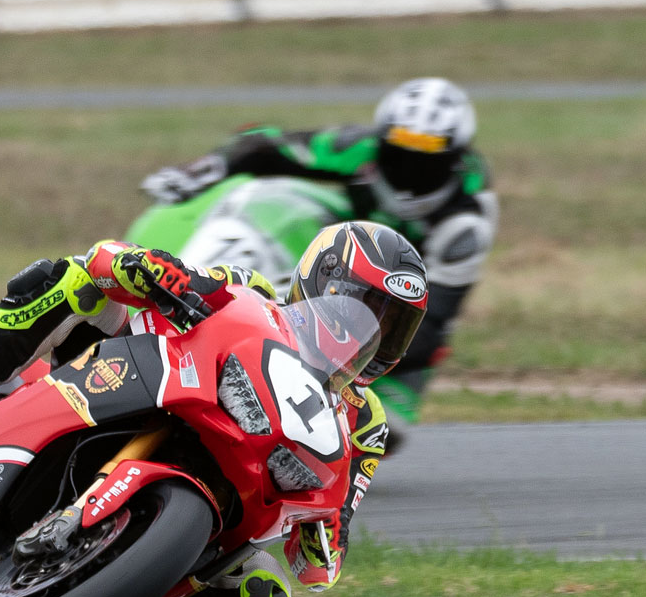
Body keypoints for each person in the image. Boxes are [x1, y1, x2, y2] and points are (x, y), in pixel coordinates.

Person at [0, 221, 426, 597]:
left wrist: (323, 530)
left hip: (223, 498)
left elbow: (323, 559)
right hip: (129, 391)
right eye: (357, 312)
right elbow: (123, 263)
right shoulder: (249, 292)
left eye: (390, 329)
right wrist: (146, 270)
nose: (365, 337)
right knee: (64, 283)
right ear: (317, 285)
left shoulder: (362, 423)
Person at [138, 77, 492, 439]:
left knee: (379, 430)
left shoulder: (466, 224)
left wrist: (334, 357)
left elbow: (431, 326)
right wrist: (208, 168)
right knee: (279, 199)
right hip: (346, 268)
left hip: (400, 334)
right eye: (400, 156)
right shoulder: (360, 149)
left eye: (427, 163)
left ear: (454, 160)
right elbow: (266, 144)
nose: (411, 174)